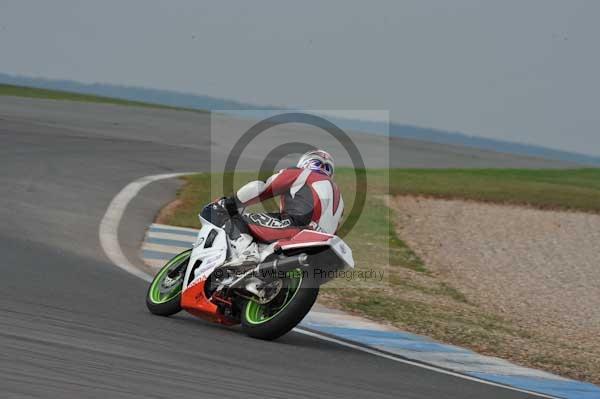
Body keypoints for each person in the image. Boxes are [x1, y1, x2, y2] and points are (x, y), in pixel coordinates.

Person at [220, 149, 344, 266]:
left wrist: (231, 202)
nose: (321, 168)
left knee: (237, 220)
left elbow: (263, 187)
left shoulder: (302, 173)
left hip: (297, 226)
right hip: (324, 244)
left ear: (306, 163)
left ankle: (248, 256)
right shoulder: (339, 198)